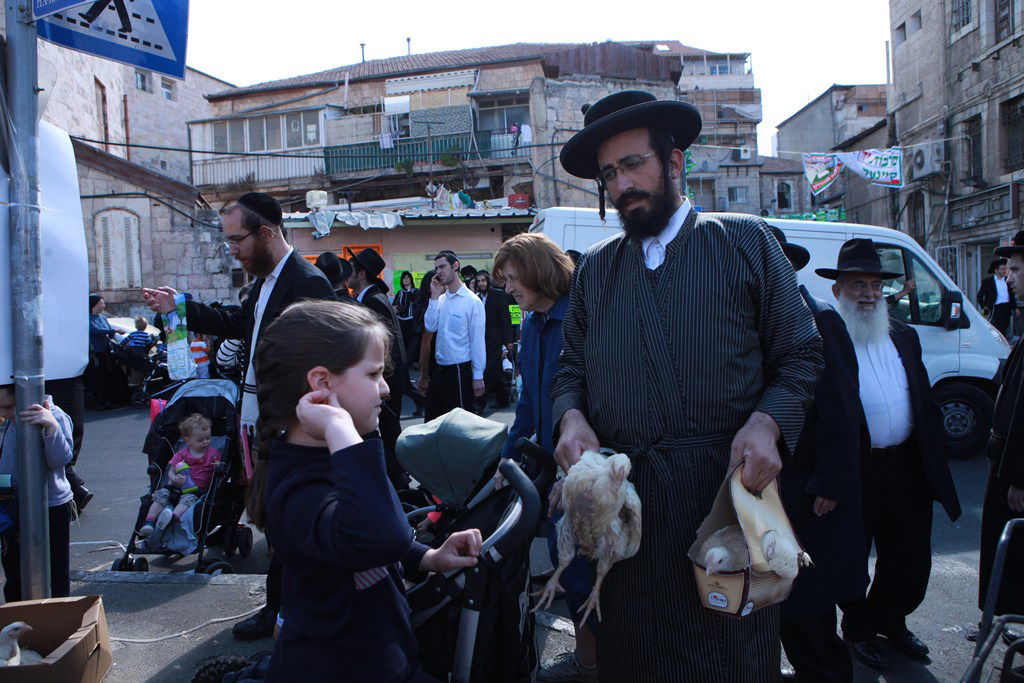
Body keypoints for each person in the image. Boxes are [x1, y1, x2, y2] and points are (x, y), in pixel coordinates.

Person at [550, 89, 824, 680]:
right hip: (632, 519)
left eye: (632, 165)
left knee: (731, 656)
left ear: (673, 163)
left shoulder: (746, 243)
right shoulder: (596, 269)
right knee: (632, 657)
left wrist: (768, 421)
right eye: (608, 174)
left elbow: (800, 353)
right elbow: (569, 367)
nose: (621, 185)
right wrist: (570, 417)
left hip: (723, 507)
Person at [252, 299, 482, 680]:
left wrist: (427, 557)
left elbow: (379, 539)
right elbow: (380, 536)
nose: (387, 388)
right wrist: (340, 427)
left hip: (380, 657)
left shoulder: (338, 456)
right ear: (322, 384)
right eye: (374, 374)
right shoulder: (297, 489)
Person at [142, 191, 336, 641]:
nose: (232, 249)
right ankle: (282, 609)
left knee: (286, 519)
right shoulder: (265, 283)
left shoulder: (307, 282)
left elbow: (327, 361)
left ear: (266, 232)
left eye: (237, 240)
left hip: (292, 426)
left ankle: (287, 614)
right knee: (272, 518)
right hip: (261, 421)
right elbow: (237, 323)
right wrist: (181, 308)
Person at [814, 238, 961, 669]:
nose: (869, 293)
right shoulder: (825, 339)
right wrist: (828, 477)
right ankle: (859, 629)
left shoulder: (905, 335)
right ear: (838, 291)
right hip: (857, 468)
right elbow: (820, 415)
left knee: (910, 557)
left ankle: (891, 621)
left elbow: (920, 394)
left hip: (907, 466)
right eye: (858, 284)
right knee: (853, 558)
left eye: (876, 285)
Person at [492, 233, 598, 682]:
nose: (508, 289)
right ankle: (589, 661)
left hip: (585, 469)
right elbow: (529, 404)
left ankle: (598, 664)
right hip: (551, 467)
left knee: (588, 574)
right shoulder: (532, 323)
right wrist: (507, 457)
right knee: (569, 568)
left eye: (513, 278)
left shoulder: (580, 316)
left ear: (538, 270)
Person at [770, 228, 866, 682]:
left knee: (808, 608)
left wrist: (829, 482)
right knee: (778, 600)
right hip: (772, 491)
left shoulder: (819, 318)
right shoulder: (757, 320)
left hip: (808, 491)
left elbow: (843, 410)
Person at [977, 231, 1024, 642]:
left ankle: (1012, 621)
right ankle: (998, 616)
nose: (1008, 278)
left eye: (1017, 269)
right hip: (1004, 460)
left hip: (1015, 468)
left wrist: (1018, 475)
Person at [0, 385, 74, 601]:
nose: (3, 413)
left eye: (8, 406)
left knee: (54, 570)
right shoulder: (14, 419)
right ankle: (17, 619)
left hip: (50, 506)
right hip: (13, 504)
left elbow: (60, 459)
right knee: (14, 568)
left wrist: (51, 427)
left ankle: (56, 620)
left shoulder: (56, 415)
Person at [347, 247, 410, 489]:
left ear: (361, 273)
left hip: (387, 379)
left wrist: (379, 380)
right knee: (386, 430)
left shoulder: (373, 301)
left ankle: (401, 484)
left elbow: (384, 346)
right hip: (389, 378)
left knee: (386, 432)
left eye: (352, 267)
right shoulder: (373, 298)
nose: (348, 272)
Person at [423, 251, 486, 421]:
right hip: (439, 370)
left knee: (459, 424)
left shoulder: (472, 302)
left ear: (455, 266)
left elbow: (478, 341)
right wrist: (434, 296)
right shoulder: (441, 299)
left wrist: (478, 376)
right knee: (432, 421)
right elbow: (430, 325)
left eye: (442, 266)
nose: (438, 272)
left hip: (459, 371)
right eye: (436, 268)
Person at [138, 413, 221, 539]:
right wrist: (174, 479)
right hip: (177, 486)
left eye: (208, 438)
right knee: (161, 495)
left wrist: (218, 465)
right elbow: (170, 471)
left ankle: (172, 518)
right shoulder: (182, 454)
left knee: (187, 501)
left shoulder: (213, 454)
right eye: (200, 440)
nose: (205, 442)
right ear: (187, 440)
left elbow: (219, 467)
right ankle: (149, 522)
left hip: (195, 490)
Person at [475, 270, 515, 410]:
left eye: (483, 280)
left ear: (488, 281)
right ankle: (503, 399)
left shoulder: (498, 294)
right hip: (480, 339)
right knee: (496, 371)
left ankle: (480, 403)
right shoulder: (476, 297)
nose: (481, 283)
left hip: (495, 339)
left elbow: (505, 318)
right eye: (479, 281)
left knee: (486, 370)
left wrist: (509, 340)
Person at [86, 294, 128, 409]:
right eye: (101, 303)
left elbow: (109, 333)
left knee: (111, 375)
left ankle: (111, 399)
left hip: (106, 351)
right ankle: (96, 400)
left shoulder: (103, 319)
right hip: (95, 352)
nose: (103, 305)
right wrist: (113, 330)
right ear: (94, 305)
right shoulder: (87, 318)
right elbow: (95, 330)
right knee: (97, 377)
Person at [978, 257, 1019, 337]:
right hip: (995, 308)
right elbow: (979, 296)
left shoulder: (1007, 281)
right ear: (996, 270)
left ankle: (1004, 342)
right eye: (1002, 269)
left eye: (1005, 269)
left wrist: (1015, 308)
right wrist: (984, 306)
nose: (1005, 271)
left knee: (1006, 327)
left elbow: (1011, 296)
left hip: (1006, 307)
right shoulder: (987, 282)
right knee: (998, 328)